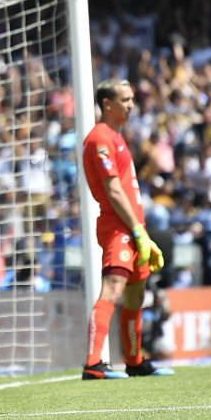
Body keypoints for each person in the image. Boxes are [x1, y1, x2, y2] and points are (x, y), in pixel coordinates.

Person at [81, 79, 174, 379]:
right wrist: (136, 230)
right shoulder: (100, 138)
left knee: (136, 295)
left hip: (134, 227)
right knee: (113, 288)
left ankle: (134, 362)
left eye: (132, 99)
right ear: (107, 104)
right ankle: (93, 363)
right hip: (118, 226)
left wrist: (141, 231)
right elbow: (114, 191)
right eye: (125, 100)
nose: (131, 105)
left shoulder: (117, 137)